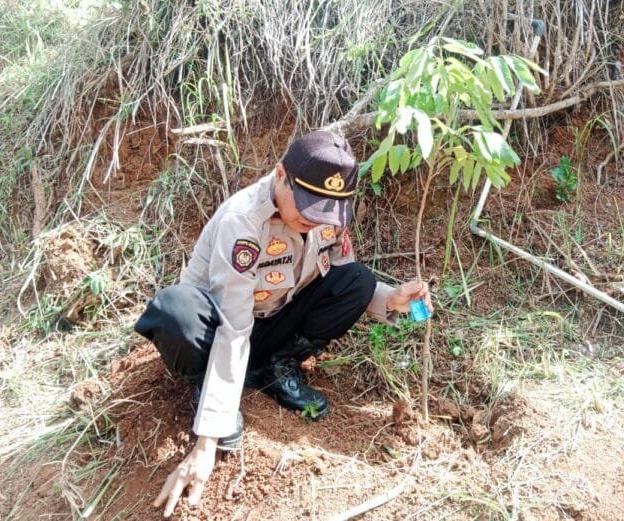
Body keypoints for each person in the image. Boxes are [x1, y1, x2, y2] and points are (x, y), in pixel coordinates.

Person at [134, 130, 432, 517]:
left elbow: (338, 275)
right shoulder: (243, 222)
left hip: (273, 323)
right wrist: (206, 440)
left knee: (359, 279)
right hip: (217, 330)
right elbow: (232, 326)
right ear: (280, 175)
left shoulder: (327, 215)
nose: (314, 218)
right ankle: (211, 392)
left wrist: (390, 299)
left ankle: (274, 369)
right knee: (175, 311)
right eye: (308, 204)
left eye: (326, 209)